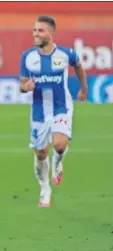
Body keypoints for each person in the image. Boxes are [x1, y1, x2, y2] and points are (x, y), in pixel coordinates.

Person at [19, 15, 88, 207]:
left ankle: (57, 164)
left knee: (58, 144)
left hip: (61, 106)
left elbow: (79, 66)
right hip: (39, 110)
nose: (36, 34)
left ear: (50, 33)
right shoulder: (27, 57)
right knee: (41, 153)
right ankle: (44, 189)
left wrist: (84, 88)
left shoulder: (66, 54)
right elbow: (21, 84)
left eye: (40, 31)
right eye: (34, 30)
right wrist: (26, 87)